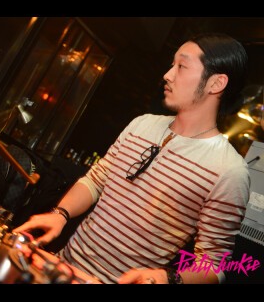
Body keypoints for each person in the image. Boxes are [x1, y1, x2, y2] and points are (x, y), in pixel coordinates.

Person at [14, 32, 251, 284]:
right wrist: (61, 214)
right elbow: (96, 180)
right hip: (59, 267)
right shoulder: (142, 124)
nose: (168, 74)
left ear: (216, 83)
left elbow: (214, 264)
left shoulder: (228, 170)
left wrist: (167, 278)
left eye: (181, 66)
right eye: (172, 64)